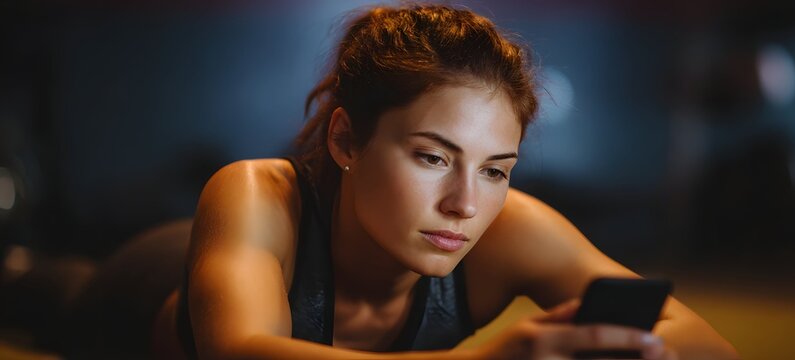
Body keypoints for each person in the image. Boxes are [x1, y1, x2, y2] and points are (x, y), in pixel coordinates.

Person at [151, 4, 739, 359]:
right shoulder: (257, 195)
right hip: (141, 291)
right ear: (345, 140)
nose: (465, 204)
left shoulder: (514, 227)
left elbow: (707, 345)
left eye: (494, 170)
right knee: (64, 293)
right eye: (432, 157)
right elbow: (239, 353)